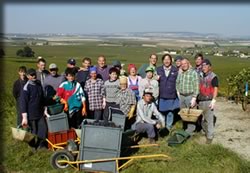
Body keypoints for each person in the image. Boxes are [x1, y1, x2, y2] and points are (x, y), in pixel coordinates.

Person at [20, 68, 47, 149]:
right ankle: (32, 147)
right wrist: (24, 118)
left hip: (40, 113)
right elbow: (23, 103)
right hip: (31, 115)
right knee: (33, 132)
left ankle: (41, 145)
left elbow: (42, 98)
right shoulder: (26, 88)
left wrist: (45, 109)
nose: (34, 76)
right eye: (31, 75)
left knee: (43, 129)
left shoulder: (38, 84)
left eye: (34, 74)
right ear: (28, 76)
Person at [176, 58, 199, 135]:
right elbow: (177, 82)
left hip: (190, 96)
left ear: (188, 63)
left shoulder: (193, 73)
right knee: (184, 113)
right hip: (182, 96)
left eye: (185, 63)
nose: (183, 65)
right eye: (182, 64)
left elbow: (196, 86)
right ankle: (185, 128)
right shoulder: (181, 73)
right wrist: (178, 92)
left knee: (190, 114)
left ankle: (191, 131)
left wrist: (194, 97)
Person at [198, 59, 219, 144]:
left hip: (209, 100)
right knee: (202, 119)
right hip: (200, 100)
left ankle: (209, 137)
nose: (204, 67)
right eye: (203, 66)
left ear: (210, 66)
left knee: (209, 120)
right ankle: (205, 131)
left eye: (206, 65)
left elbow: (215, 89)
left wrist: (213, 100)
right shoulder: (201, 76)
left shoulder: (213, 77)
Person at [157, 54, 180, 131]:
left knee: (170, 112)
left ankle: (168, 127)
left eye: (168, 59)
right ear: (163, 61)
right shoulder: (158, 69)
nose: (167, 61)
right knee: (162, 111)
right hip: (162, 94)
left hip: (171, 94)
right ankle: (163, 126)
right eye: (165, 59)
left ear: (171, 61)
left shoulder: (175, 70)